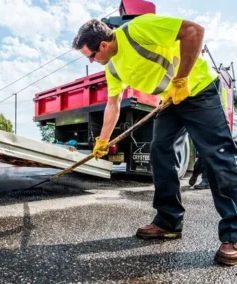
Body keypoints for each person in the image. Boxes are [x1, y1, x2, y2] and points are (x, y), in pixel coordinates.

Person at [73, 14, 237, 265]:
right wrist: (102, 141)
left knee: (217, 155)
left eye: (91, 56)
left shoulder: (138, 29)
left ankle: (233, 234)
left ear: (103, 45)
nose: (92, 61)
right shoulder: (113, 67)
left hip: (197, 89)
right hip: (170, 100)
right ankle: (168, 221)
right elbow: (113, 104)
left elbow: (194, 31)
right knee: (159, 152)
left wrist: (181, 79)